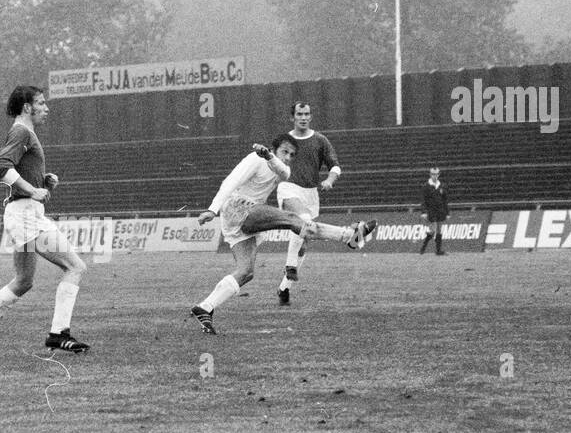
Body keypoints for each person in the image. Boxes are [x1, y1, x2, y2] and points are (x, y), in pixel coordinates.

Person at [190, 137, 376, 333]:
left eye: (292, 155)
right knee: (293, 220)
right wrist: (212, 209)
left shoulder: (281, 169)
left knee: (246, 272)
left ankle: (205, 307)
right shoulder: (254, 159)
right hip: (238, 208)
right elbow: (230, 182)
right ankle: (350, 236)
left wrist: (271, 156)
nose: (288, 158)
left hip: (240, 219)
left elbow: (283, 171)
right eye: (284, 152)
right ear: (274, 148)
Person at [0, 85, 89, 356]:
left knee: (25, 280)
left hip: (29, 214)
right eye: (41, 103)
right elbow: (1, 167)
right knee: (73, 267)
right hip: (24, 215)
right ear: (26, 107)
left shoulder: (26, 132)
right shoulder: (22, 131)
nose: (47, 108)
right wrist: (33, 190)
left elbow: (17, 171)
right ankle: (58, 334)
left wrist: (42, 182)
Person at [276, 102, 342, 305]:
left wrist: (329, 180)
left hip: (311, 193)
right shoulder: (286, 141)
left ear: (310, 116)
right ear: (292, 117)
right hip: (289, 189)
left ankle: (284, 287)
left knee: (304, 243)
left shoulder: (320, 140)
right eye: (299, 114)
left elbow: (335, 166)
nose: (303, 117)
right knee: (303, 221)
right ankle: (290, 265)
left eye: (306, 114)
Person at [420, 165, 449, 255]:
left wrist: (447, 212)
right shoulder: (426, 186)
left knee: (439, 230)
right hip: (431, 210)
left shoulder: (443, 186)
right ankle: (423, 247)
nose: (434, 176)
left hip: (440, 210)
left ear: (439, 175)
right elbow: (423, 200)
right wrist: (424, 212)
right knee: (433, 230)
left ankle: (438, 250)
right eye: (433, 174)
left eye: (436, 174)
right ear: (430, 174)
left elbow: (445, 200)